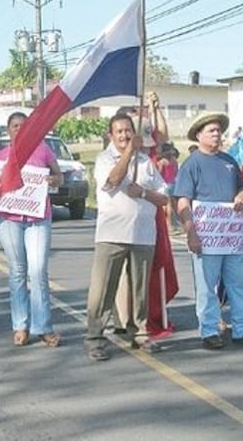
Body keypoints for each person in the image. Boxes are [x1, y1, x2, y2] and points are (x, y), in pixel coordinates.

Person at [173, 112, 243, 350]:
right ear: (199, 135)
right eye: (211, 131)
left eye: (218, 130)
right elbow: (183, 200)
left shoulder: (229, 161)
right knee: (207, 286)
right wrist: (190, 231)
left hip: (233, 236)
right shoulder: (192, 164)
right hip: (207, 237)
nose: (216, 134)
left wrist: (241, 195)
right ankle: (209, 330)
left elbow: (242, 187)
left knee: (240, 283)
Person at [85, 113, 168, 361]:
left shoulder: (146, 162)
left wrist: (143, 192)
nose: (124, 135)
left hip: (143, 234)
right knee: (102, 290)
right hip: (112, 234)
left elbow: (163, 197)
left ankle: (140, 333)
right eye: (119, 131)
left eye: (128, 130)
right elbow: (112, 181)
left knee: (140, 290)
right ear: (111, 135)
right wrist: (129, 153)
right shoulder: (104, 159)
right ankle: (95, 338)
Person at [0, 112, 63, 347]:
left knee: (38, 271)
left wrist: (54, 180)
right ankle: (20, 325)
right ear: (8, 130)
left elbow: (59, 176)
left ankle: (43, 327)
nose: (19, 129)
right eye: (14, 126)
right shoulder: (1, 156)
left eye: (23, 126)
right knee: (17, 271)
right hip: (9, 219)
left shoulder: (43, 150)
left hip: (38, 219)